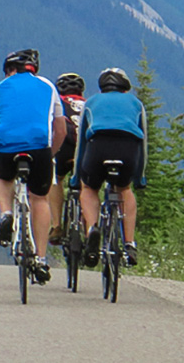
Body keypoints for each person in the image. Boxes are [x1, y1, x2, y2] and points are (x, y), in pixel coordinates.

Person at [0, 48, 66, 284]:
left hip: (6, 148)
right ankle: (40, 258)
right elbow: (60, 130)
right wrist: (50, 154)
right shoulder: (48, 87)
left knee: (1, 177)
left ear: (9, 70)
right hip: (39, 148)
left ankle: (6, 213)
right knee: (40, 199)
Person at [70, 66, 147, 268]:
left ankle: (92, 230)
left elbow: (81, 145)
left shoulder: (91, 102)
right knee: (125, 189)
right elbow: (143, 143)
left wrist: (76, 177)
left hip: (98, 148)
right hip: (128, 148)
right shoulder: (136, 104)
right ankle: (129, 244)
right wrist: (140, 177)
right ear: (125, 88)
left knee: (89, 189)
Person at [48, 72, 86, 246]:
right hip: (86, 149)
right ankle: (89, 227)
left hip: (65, 146)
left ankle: (56, 225)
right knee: (88, 186)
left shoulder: (57, 104)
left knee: (55, 179)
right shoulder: (89, 104)